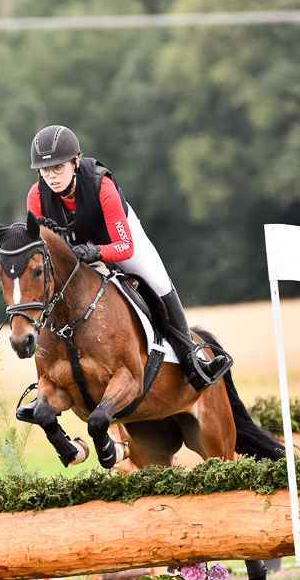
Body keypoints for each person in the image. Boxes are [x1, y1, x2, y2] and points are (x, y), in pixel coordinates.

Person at [27, 124, 231, 391]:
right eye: (44, 170)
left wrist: (97, 252)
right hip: (74, 249)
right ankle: (46, 383)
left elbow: (125, 247)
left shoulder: (101, 185)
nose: (51, 177)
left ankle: (192, 360)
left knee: (157, 281)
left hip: (117, 237)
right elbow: (39, 249)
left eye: (58, 168)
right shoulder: (36, 196)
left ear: (75, 162)